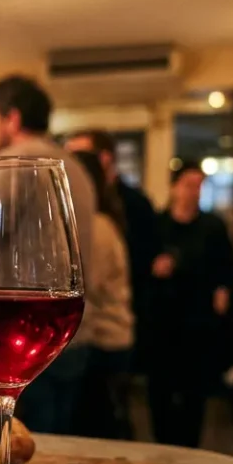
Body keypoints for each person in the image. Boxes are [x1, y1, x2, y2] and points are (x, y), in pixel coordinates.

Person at [0, 75, 97, 434]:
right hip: (72, 333)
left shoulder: (15, 163)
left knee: (26, 453)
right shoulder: (76, 167)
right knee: (58, 451)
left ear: (12, 119)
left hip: (22, 336)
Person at [148, 161, 233, 448]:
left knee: (193, 391)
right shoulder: (157, 225)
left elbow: (226, 267)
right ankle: (162, 442)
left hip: (197, 317)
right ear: (174, 187)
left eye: (199, 186)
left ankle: (190, 447)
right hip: (162, 318)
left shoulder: (213, 226)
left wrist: (222, 292)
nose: (194, 192)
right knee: (160, 387)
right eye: (188, 185)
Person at [65, 130, 159, 343]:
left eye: (76, 157)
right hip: (107, 327)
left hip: (107, 332)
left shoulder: (108, 217)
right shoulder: (100, 214)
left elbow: (88, 284)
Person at [71, 150, 135, 439]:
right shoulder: (104, 220)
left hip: (105, 339)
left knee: (99, 429)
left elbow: (84, 285)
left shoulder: (96, 226)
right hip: (109, 337)